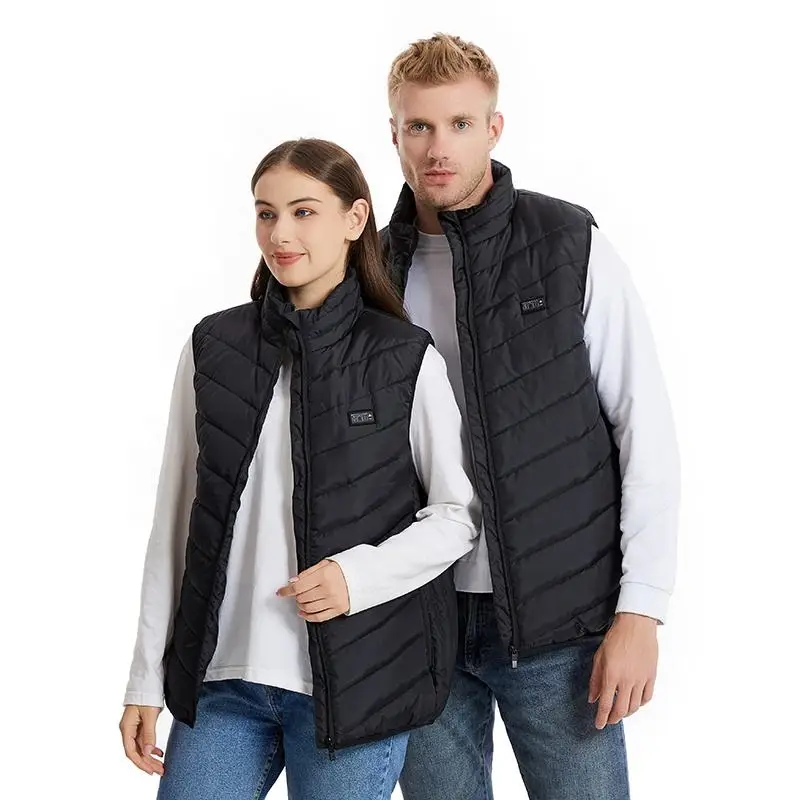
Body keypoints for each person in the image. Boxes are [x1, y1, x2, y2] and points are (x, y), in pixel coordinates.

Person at [119, 137, 481, 800]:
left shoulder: (403, 357)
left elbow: (458, 516)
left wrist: (357, 576)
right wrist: (145, 678)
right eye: (266, 213)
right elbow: (174, 523)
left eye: (303, 212)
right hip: (223, 682)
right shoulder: (213, 347)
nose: (280, 234)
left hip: (356, 685)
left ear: (354, 219)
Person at [379, 34, 682, 800]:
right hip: (417, 627)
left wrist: (641, 610)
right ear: (394, 134)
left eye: (459, 124)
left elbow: (643, 426)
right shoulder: (370, 271)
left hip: (561, 627)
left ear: (494, 128)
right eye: (419, 126)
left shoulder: (567, 244)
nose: (438, 147)